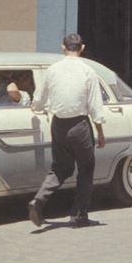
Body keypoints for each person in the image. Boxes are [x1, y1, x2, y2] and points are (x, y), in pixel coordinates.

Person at [28, 33, 106, 229]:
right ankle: (79, 216)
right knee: (86, 169)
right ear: (82, 48)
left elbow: (38, 100)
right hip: (79, 125)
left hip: (58, 124)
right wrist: (100, 132)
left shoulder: (52, 70)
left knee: (60, 167)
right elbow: (95, 105)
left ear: (63, 48)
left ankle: (39, 199)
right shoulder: (88, 71)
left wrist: (38, 107)